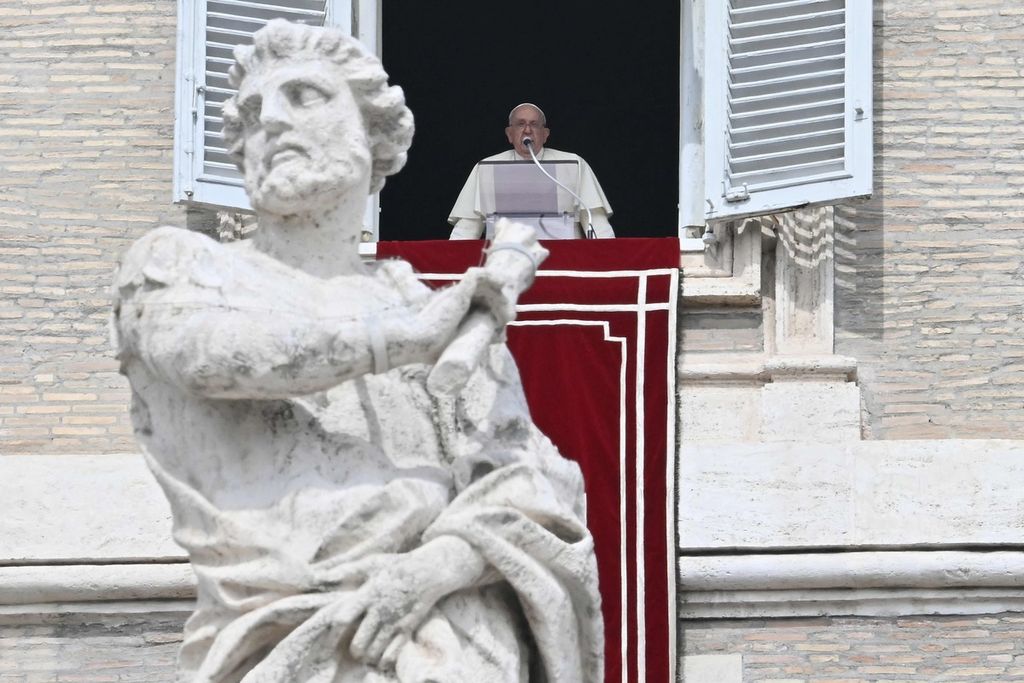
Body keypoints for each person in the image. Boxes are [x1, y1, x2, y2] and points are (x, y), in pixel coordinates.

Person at [111, 20, 603, 683]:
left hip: (454, 640)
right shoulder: (185, 267)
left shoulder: (427, 307)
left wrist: (442, 564)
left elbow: (531, 480)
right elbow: (209, 354)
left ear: (375, 135)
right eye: (252, 113)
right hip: (280, 641)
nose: (271, 123)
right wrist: (402, 338)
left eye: (305, 96)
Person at [448, 103, 615, 239]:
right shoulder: (487, 167)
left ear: (545, 134)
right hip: (505, 260)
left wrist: (609, 258)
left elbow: (595, 221)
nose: (527, 130)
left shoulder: (573, 164)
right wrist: (452, 260)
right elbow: (467, 228)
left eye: (534, 124)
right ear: (509, 134)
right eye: (521, 124)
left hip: (565, 258)